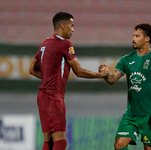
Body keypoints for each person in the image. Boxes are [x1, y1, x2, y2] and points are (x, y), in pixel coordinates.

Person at [29, 12, 108, 150]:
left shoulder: (45, 43)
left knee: (49, 141)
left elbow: (31, 69)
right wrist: (102, 75)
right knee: (60, 141)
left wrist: (50, 78)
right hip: (54, 97)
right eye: (72, 26)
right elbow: (79, 71)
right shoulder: (65, 43)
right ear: (63, 26)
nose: (73, 29)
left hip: (42, 96)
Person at [99, 23, 151, 150]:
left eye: (137, 36)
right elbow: (113, 79)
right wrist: (105, 75)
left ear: (147, 38)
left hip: (150, 114)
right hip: (131, 114)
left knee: (149, 148)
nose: (133, 39)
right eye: (133, 35)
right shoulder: (126, 60)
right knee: (119, 144)